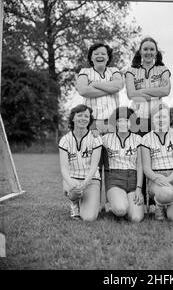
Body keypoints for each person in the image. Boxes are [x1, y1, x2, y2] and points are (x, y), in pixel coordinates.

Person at [125, 37, 171, 212]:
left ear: (156, 52)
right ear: (140, 51)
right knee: (139, 158)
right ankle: (140, 199)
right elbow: (130, 94)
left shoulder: (163, 69)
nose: (149, 52)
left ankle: (154, 202)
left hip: (157, 117)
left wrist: (141, 91)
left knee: (155, 157)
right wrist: (153, 92)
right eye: (145, 49)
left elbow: (166, 91)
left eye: (152, 49)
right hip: (137, 117)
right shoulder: (131, 71)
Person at [76, 42, 124, 211]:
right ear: (91, 57)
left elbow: (118, 86)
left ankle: (110, 202)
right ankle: (92, 201)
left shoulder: (114, 70)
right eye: (96, 53)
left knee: (111, 162)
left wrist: (94, 85)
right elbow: (82, 90)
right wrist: (108, 88)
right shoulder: (85, 72)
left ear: (108, 56)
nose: (100, 55)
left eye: (103, 53)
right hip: (93, 123)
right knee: (93, 164)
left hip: (112, 123)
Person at [141, 103, 173, 222]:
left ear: (169, 118)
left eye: (164, 117)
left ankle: (170, 203)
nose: (161, 120)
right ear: (152, 119)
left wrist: (170, 179)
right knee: (166, 193)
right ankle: (159, 204)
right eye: (157, 117)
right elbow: (146, 167)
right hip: (157, 179)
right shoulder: (146, 138)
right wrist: (157, 178)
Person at [58, 104, 102, 221]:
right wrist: (71, 183)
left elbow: (94, 166)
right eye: (80, 115)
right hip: (73, 178)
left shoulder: (96, 138)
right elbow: (64, 169)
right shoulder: (65, 140)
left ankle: (86, 202)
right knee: (74, 192)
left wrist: (85, 182)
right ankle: (74, 203)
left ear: (90, 119)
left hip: (91, 179)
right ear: (73, 118)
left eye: (86, 116)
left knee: (89, 218)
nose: (83, 118)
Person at [102, 107, 144, 222]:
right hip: (115, 180)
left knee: (136, 218)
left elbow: (140, 166)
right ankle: (116, 204)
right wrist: (94, 133)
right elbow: (92, 142)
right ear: (115, 122)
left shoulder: (138, 139)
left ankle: (124, 203)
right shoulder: (106, 139)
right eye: (120, 120)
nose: (123, 123)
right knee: (121, 210)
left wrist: (139, 189)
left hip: (133, 181)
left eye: (127, 120)